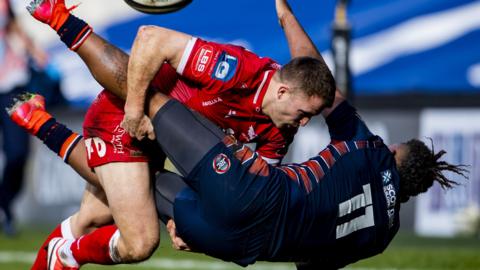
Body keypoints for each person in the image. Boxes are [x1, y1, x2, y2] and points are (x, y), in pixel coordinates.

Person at [13, 0, 467, 269]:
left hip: (243, 197)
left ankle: (45, 131)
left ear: (393, 153)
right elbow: (309, 261)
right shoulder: (381, 237)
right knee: (131, 197)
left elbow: (323, 89)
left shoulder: (364, 149)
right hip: (238, 243)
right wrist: (201, 229)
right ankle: (55, 27)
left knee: (134, 226)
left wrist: (286, 15)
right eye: (302, 112)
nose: (305, 122)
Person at [21, 0, 336, 269]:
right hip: (124, 115)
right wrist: (134, 109)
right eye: (303, 114)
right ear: (281, 91)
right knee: (140, 241)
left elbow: (242, 193)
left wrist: (192, 225)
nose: (305, 123)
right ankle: (59, 21)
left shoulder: (281, 131)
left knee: (90, 220)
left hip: (160, 138)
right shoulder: (236, 70)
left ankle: (36, 120)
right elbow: (150, 38)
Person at [0, 0, 47, 236]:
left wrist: (33, 48)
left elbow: (12, 25)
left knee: (18, 153)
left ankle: (4, 203)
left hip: (11, 85)